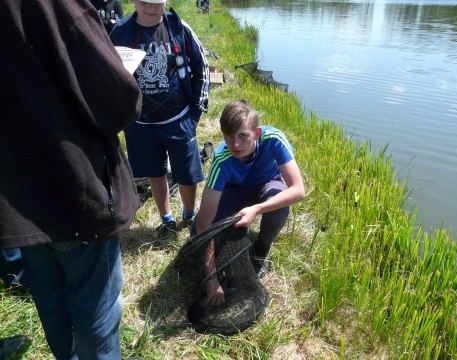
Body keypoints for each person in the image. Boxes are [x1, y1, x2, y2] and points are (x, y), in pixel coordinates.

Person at [1, 0, 142, 359]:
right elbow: (120, 102)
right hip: (73, 191)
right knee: (95, 312)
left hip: (14, 202)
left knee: (51, 302)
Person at [110, 0, 210, 240]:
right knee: (155, 172)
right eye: (145, 2)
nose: (150, 8)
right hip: (140, 124)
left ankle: (189, 213)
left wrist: (195, 113)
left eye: (157, 3)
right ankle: (166, 219)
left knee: (187, 173)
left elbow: (202, 67)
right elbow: (107, 73)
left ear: (166, 2)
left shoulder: (179, 28)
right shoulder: (120, 33)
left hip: (179, 118)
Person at [191, 99, 305, 305]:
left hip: (267, 185)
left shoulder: (274, 139)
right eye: (229, 136)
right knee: (196, 234)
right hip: (235, 191)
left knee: (279, 203)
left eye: (243, 136)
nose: (235, 144)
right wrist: (212, 279)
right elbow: (203, 222)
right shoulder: (221, 159)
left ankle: (262, 248)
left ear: (257, 132)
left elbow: (298, 190)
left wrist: (257, 209)